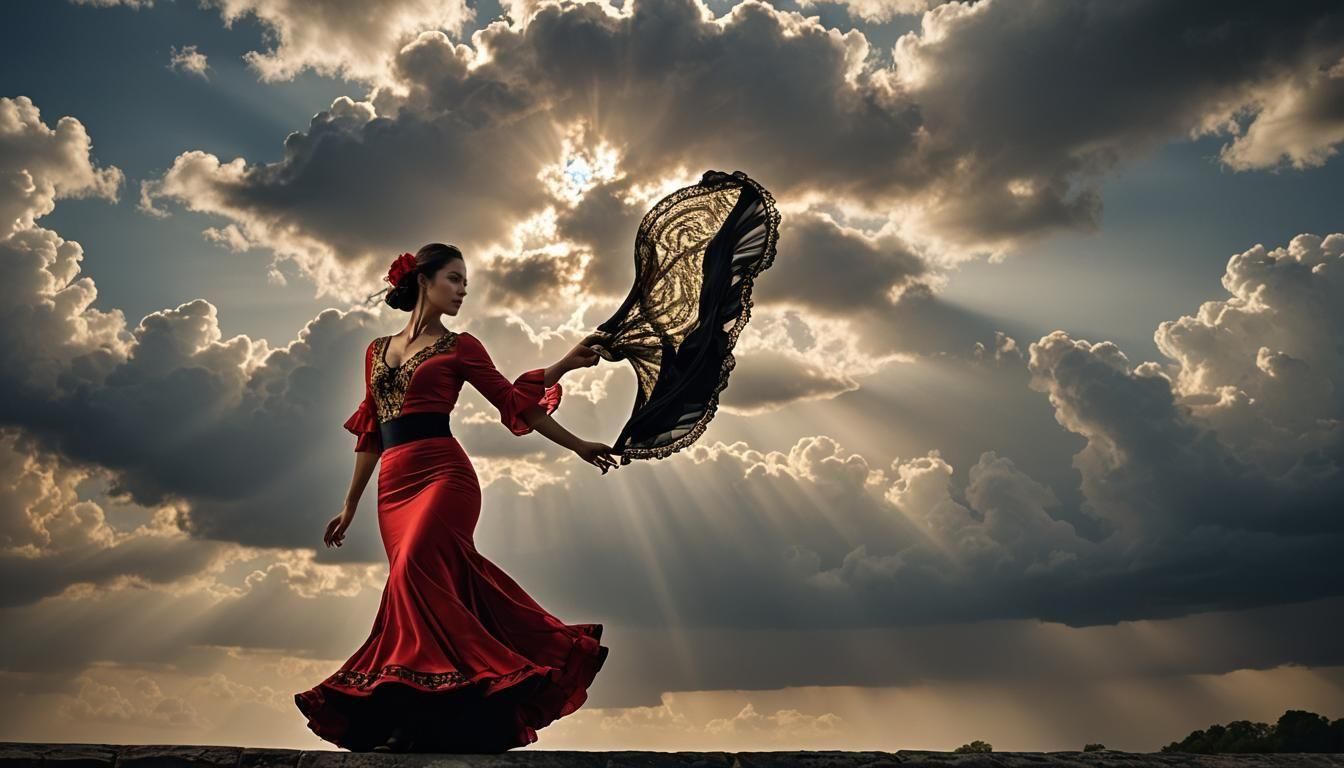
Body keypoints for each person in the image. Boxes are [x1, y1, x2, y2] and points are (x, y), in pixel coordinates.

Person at [293, 243, 615, 753]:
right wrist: (350, 505)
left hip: (445, 476)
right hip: (393, 485)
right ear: (424, 280)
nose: (463, 290)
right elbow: (371, 431)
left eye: (466, 282)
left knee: (412, 570)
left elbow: (513, 401)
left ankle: (415, 713)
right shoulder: (375, 351)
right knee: (423, 590)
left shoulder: (461, 347)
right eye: (454, 278)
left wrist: (573, 422)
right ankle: (438, 716)